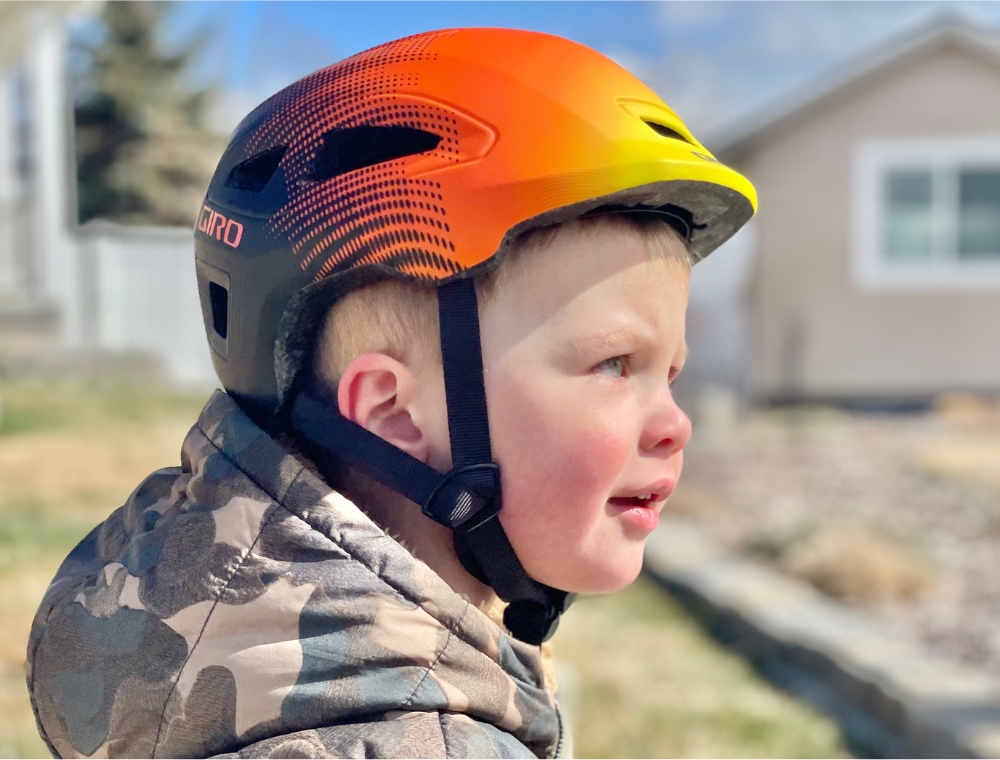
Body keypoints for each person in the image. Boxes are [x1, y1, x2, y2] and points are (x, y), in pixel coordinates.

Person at [26, 27, 756, 759]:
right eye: (615, 365)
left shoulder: (166, 625)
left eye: (670, 374)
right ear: (392, 410)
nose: (675, 424)